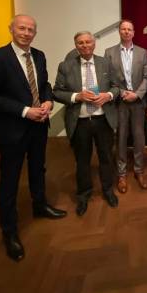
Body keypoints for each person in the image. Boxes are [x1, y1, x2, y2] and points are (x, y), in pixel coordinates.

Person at [0, 14, 67, 262]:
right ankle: (9, 230)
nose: (26, 33)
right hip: (12, 129)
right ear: (11, 29)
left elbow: (44, 84)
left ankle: (40, 205)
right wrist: (25, 111)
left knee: (38, 168)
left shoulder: (39, 55)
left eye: (31, 30)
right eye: (22, 28)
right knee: (10, 179)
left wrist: (48, 100)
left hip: (39, 126)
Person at [53, 31, 119, 216]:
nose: (85, 45)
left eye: (88, 42)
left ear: (94, 43)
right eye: (80, 43)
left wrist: (108, 95)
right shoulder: (66, 66)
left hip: (103, 120)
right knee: (82, 161)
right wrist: (77, 96)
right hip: (80, 121)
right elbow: (56, 92)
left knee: (106, 158)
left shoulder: (105, 63)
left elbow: (117, 87)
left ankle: (108, 190)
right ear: (76, 46)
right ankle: (83, 195)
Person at [105, 20, 147, 193]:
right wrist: (123, 92)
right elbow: (108, 78)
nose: (126, 31)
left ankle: (139, 170)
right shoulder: (109, 52)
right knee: (121, 137)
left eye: (129, 29)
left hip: (138, 101)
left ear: (133, 32)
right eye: (123, 29)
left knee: (139, 138)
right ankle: (122, 174)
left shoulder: (142, 52)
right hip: (120, 101)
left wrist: (137, 94)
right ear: (119, 31)